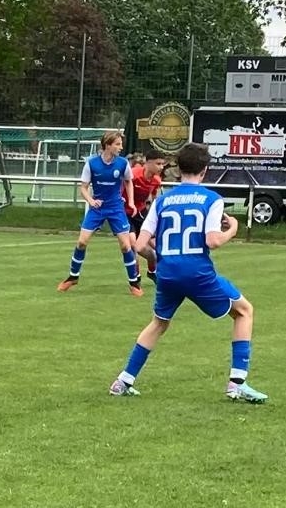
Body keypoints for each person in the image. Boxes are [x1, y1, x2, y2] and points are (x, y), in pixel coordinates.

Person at [108, 142, 266, 403]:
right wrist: (232, 230)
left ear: (179, 169)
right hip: (197, 273)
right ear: (204, 171)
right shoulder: (212, 199)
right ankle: (237, 383)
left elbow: (139, 245)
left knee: (159, 323)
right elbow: (213, 240)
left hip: (168, 273)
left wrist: (163, 257)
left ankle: (122, 381)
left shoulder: (162, 200)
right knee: (244, 311)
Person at [57, 130, 141, 296]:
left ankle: (134, 284)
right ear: (107, 145)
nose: (121, 147)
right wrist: (91, 200)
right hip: (97, 208)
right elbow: (83, 187)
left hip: (116, 208)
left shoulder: (122, 163)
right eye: (117, 144)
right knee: (82, 242)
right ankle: (73, 277)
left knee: (126, 246)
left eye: (121, 144)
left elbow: (128, 182)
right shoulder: (92, 164)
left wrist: (130, 202)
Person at [126, 151, 167, 282]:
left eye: (162, 164)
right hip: (124, 212)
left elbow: (154, 198)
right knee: (133, 243)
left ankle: (152, 271)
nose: (161, 167)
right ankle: (135, 277)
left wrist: (153, 214)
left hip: (141, 212)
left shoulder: (156, 180)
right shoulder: (133, 174)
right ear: (147, 163)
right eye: (158, 164)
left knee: (152, 247)